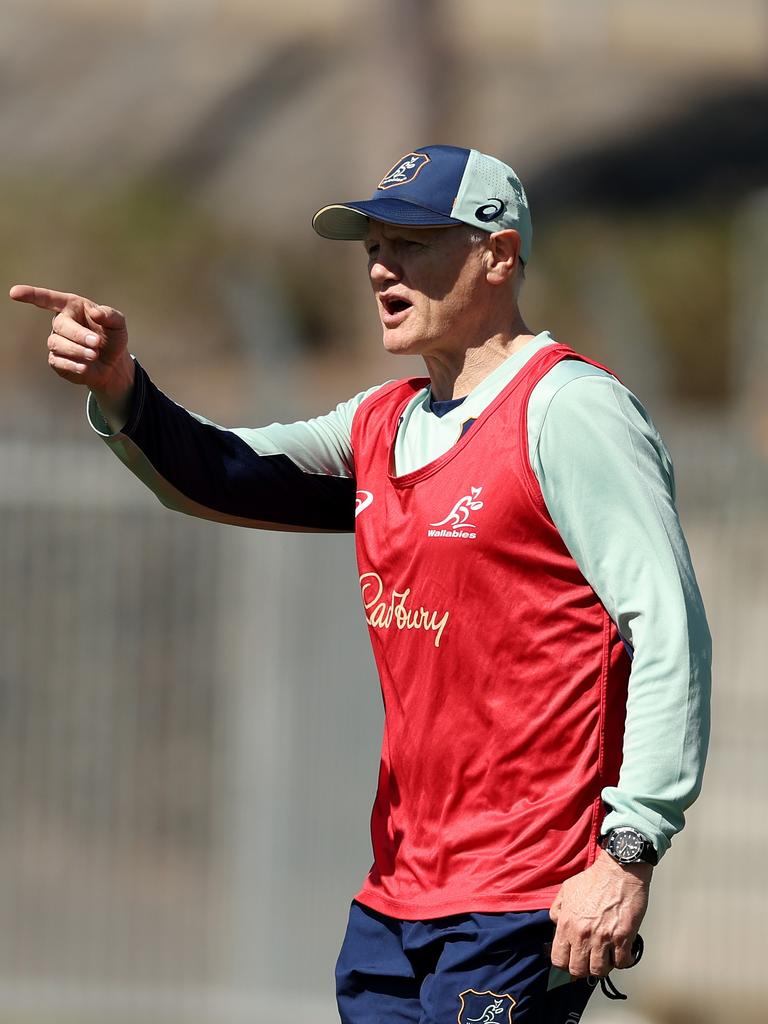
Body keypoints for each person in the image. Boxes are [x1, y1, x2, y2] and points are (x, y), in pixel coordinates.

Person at [10, 144, 711, 1023]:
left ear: (498, 255)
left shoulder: (569, 412)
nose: (383, 264)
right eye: (375, 244)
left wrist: (629, 848)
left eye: (414, 241)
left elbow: (668, 633)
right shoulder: (380, 425)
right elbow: (220, 473)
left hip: (525, 888)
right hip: (398, 896)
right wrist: (120, 386)